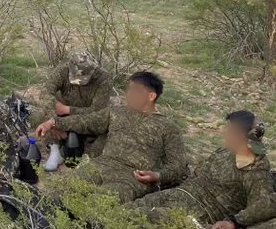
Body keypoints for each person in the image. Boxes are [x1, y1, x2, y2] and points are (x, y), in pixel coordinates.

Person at [35, 70, 189, 203]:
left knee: (99, 204)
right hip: (102, 165)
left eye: (136, 91)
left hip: (131, 178)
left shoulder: (168, 128)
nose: (129, 95)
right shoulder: (116, 112)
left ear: (151, 96)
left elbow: (179, 166)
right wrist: (54, 122)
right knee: (61, 192)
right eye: (129, 90)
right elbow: (87, 121)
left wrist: (157, 176)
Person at [132, 110, 273, 223]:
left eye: (230, 129)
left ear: (241, 135)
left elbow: (259, 211)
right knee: (131, 207)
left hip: (201, 212)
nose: (225, 132)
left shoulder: (256, 172)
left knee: (139, 219)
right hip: (182, 193)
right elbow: (195, 175)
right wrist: (159, 176)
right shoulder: (225, 151)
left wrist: (233, 225)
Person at [40, 52, 113, 162]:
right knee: (46, 111)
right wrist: (52, 121)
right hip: (60, 115)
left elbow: (97, 111)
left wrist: (67, 109)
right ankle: (55, 147)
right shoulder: (63, 70)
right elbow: (46, 92)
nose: (78, 83)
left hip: (87, 118)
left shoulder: (104, 78)